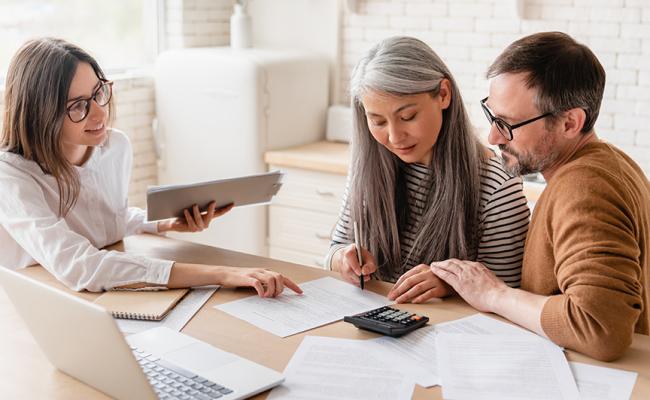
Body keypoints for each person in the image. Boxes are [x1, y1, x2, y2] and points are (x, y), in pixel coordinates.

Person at [0, 37, 302, 297]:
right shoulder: (11, 175)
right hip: (36, 302)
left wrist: (162, 224)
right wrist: (221, 274)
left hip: (100, 295)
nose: (99, 113)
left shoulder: (113, 147)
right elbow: (81, 266)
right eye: (78, 105)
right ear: (39, 113)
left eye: (98, 93)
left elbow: (104, 221)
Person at [430, 32, 650, 361]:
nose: (492, 136)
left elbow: (601, 328)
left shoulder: (584, 188)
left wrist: (494, 294)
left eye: (508, 123)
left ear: (570, 123)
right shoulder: (611, 163)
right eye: (492, 116)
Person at [325, 36, 530, 304]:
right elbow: (334, 250)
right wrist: (343, 259)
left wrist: (451, 284)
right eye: (377, 121)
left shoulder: (497, 185)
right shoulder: (368, 167)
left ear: (443, 94)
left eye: (407, 117)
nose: (395, 137)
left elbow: (508, 293)